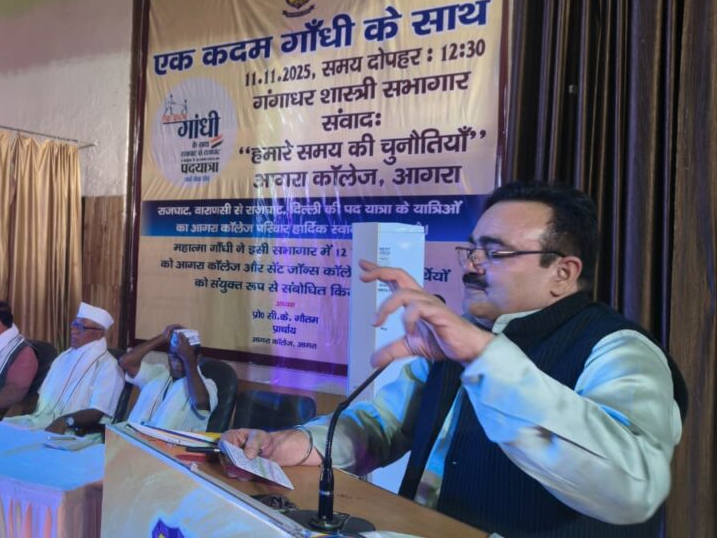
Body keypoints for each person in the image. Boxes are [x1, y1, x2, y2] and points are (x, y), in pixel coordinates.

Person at [221, 182, 683, 537]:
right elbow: (383, 427)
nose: (472, 265)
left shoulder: (618, 348)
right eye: (473, 248)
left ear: (562, 272)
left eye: (495, 252)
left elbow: (633, 487)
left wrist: (485, 356)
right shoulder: (460, 336)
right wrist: (303, 445)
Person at [4, 302, 123, 435]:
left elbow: (97, 412)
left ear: (99, 333)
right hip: (39, 422)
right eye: (74, 325)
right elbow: (41, 397)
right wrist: (20, 406)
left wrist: (66, 421)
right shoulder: (63, 357)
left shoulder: (109, 366)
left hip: (75, 432)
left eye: (80, 327)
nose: (73, 330)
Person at [120, 325, 217, 431]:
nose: (176, 364)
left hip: (169, 442)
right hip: (131, 436)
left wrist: (188, 360)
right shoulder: (158, 374)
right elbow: (126, 362)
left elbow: (201, 402)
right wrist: (162, 337)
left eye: (182, 358)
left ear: (197, 358)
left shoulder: (207, 385)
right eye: (173, 357)